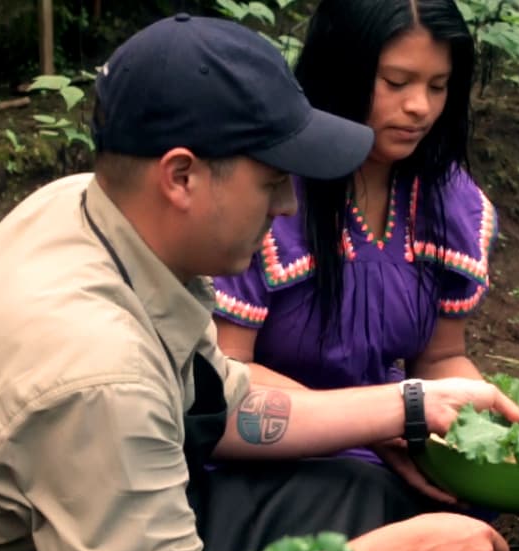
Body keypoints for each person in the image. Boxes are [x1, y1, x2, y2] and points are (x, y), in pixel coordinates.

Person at [0, 15, 519, 551]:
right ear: (182, 176)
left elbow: (223, 404)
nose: (289, 205)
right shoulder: (94, 371)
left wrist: (409, 405)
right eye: (271, 180)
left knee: (367, 495)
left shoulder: (84, 209)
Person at [213, 0, 497, 503]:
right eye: (396, 82)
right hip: (273, 456)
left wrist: (493, 438)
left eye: (438, 86)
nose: (420, 108)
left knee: (468, 507)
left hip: (393, 442)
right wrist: (376, 419)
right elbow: (228, 378)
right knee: (374, 504)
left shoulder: (444, 200)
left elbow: (442, 357)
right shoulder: (271, 198)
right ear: (340, 71)